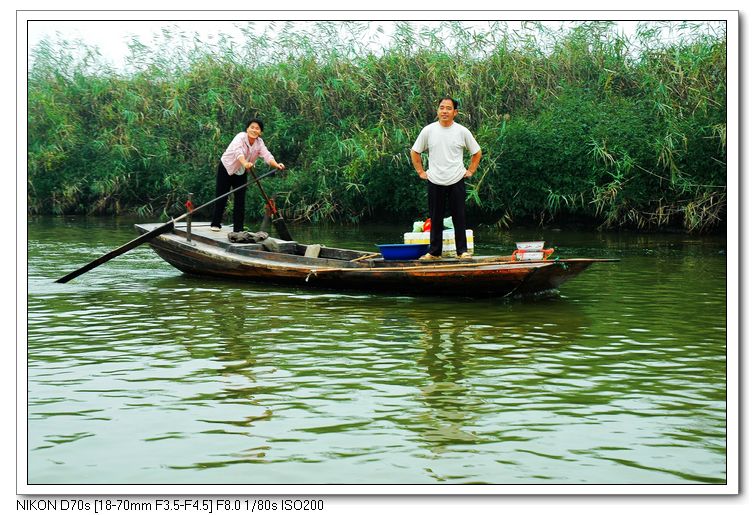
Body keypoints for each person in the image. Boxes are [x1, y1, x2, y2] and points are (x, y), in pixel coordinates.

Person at [410, 97, 482, 260]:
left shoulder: (462, 131)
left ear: (455, 112)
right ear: (437, 111)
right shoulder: (428, 130)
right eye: (441, 108)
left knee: (459, 216)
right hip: (435, 179)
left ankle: (462, 251)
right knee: (435, 217)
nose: (444, 111)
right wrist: (421, 172)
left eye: (448, 108)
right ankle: (435, 252)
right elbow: (415, 151)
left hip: (457, 178)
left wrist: (470, 170)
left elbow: (476, 152)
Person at [210, 118, 285, 232]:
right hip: (227, 167)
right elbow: (238, 152)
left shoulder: (259, 142)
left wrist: (276, 165)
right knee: (222, 196)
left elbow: (267, 155)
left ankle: (238, 229)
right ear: (247, 129)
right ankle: (215, 224)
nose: (254, 130)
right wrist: (245, 163)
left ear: (260, 132)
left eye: (257, 129)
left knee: (240, 199)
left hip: (242, 171)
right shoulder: (240, 137)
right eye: (252, 127)